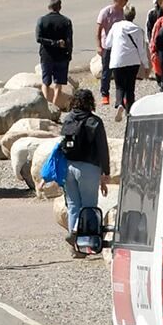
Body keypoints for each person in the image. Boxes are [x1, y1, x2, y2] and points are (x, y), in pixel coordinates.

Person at [57, 88, 109, 253]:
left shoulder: (68, 119)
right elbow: (102, 149)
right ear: (90, 102)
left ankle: (75, 248)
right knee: (88, 207)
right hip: (88, 168)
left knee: (73, 206)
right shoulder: (94, 122)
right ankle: (85, 242)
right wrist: (105, 172)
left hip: (69, 167)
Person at [103, 6, 148, 114]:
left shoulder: (116, 26)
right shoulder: (138, 29)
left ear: (123, 14)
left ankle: (119, 103)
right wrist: (146, 65)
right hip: (133, 61)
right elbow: (142, 50)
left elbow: (108, 43)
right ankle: (130, 111)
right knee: (130, 87)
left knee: (119, 86)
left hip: (117, 61)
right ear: (134, 16)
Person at [34, 0, 73, 109]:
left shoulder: (41, 20)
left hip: (46, 55)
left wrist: (52, 43)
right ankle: (54, 105)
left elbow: (38, 38)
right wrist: (69, 54)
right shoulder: (66, 21)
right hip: (61, 56)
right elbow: (69, 40)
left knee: (45, 82)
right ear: (60, 7)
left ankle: (46, 105)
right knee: (58, 84)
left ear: (49, 7)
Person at [95, 0, 128, 102]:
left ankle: (121, 95)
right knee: (106, 71)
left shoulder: (122, 11)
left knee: (120, 71)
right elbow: (98, 30)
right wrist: (99, 46)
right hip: (107, 46)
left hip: (119, 45)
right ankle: (105, 94)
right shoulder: (106, 12)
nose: (126, 1)